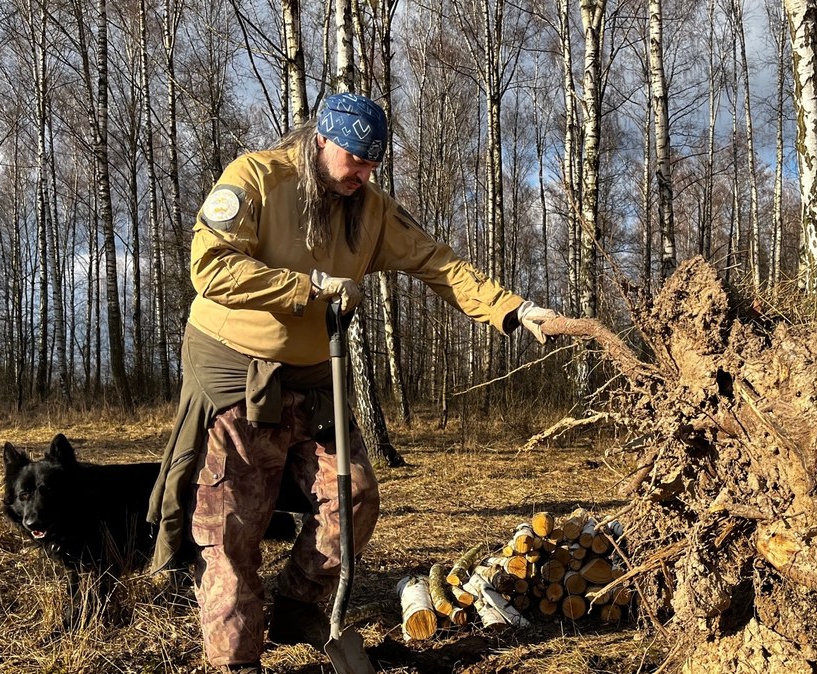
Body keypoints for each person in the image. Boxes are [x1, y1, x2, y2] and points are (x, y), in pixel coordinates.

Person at [147, 92, 558, 673]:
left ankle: (297, 603)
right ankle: (234, 659)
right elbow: (211, 266)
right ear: (321, 141)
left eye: (372, 164)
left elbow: (435, 261)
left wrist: (511, 310)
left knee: (355, 494)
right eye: (354, 160)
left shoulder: (368, 207)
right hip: (240, 371)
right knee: (234, 523)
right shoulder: (257, 178)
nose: (362, 175)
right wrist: (307, 288)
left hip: (317, 378)